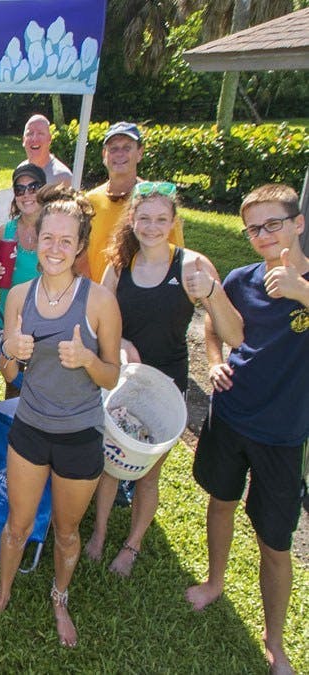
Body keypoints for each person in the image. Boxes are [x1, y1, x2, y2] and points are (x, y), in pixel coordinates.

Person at [0, 185, 122, 648]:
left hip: (79, 435)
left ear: (80, 246)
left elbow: (113, 376)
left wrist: (87, 360)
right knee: (16, 526)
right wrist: (11, 354)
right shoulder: (19, 297)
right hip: (31, 427)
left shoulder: (99, 302)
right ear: (34, 240)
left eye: (66, 240)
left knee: (66, 532)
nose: (55, 248)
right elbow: (8, 370)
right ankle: (3, 594)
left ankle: (60, 599)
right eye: (48, 238)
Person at [84, 181, 242, 577]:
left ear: (173, 222)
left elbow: (234, 335)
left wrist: (213, 292)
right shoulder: (119, 264)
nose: (152, 227)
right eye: (144, 219)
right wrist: (120, 341)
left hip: (166, 386)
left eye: (160, 219)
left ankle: (132, 545)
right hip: (122, 380)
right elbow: (96, 321)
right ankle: (99, 533)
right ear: (132, 221)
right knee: (110, 462)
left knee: (148, 474)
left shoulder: (192, 266)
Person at [186, 184, 307, 674]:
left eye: (272, 224)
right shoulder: (241, 279)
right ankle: (215, 581)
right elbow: (215, 326)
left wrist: (302, 292)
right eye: (253, 228)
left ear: (298, 223)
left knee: (275, 542)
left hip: (283, 432)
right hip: (231, 415)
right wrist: (215, 360)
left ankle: (275, 642)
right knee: (221, 500)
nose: (262, 235)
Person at [84, 122, 184, 283]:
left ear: (140, 153)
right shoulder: (89, 201)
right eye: (113, 149)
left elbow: (177, 257)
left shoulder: (158, 202)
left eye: (127, 148)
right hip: (97, 293)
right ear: (104, 155)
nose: (120, 154)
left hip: (144, 293)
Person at [0, 163, 46, 333]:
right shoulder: (4, 232)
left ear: (44, 191)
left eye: (33, 188)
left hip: (44, 326)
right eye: (20, 190)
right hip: (7, 323)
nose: (26, 194)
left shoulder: (55, 232)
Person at [19, 114, 73, 186]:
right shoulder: (20, 171)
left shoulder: (62, 177)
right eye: (30, 133)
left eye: (40, 133)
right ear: (23, 140)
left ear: (49, 139)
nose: (34, 138)